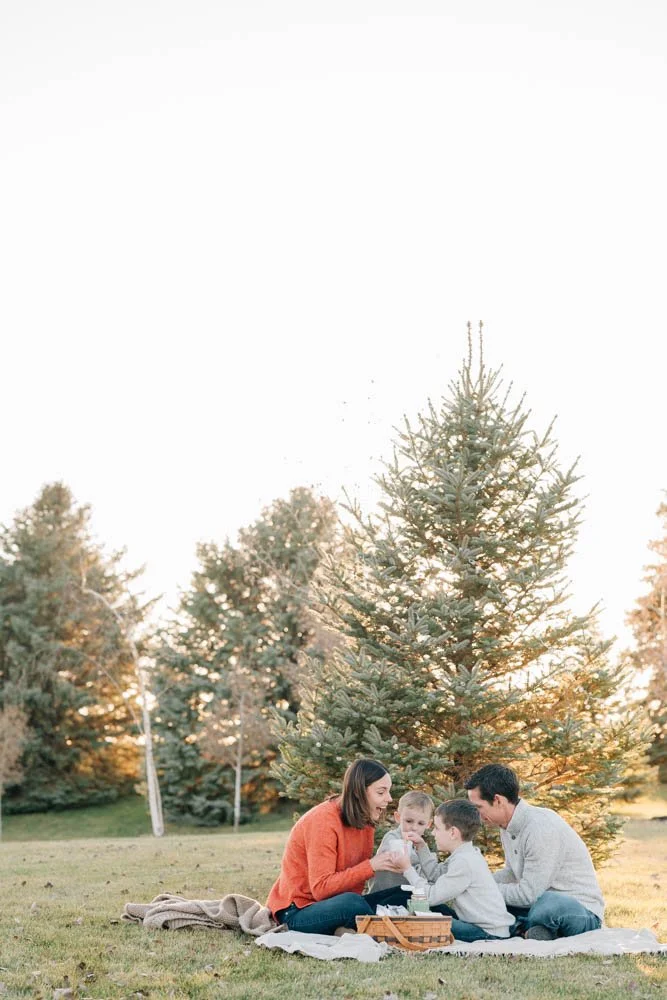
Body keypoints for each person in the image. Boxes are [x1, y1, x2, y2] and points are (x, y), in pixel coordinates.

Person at [266, 758, 410, 935]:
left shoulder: (364, 819)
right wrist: (371, 866)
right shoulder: (323, 821)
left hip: (336, 904)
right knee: (353, 903)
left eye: (388, 791)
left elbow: (353, 884)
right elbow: (320, 889)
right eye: (381, 792)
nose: (389, 799)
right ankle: (392, 930)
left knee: (405, 895)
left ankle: (446, 925)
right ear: (358, 793)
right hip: (298, 911)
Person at [464, 763, 605, 939]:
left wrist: (485, 889)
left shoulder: (540, 828)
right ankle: (534, 931)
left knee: (548, 903)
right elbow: (511, 872)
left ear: (498, 800)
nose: (477, 815)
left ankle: (521, 927)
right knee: (483, 905)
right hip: (536, 903)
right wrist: (476, 882)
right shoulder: (506, 825)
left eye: (478, 807)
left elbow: (529, 895)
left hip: (580, 910)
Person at [394, 799, 515, 941]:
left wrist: (407, 869)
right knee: (431, 912)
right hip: (480, 925)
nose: (433, 833)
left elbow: (430, 897)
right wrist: (421, 847)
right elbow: (436, 874)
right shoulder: (465, 854)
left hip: (488, 932)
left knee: (425, 920)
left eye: (437, 828)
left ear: (453, 833)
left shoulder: (464, 862)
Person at [368, 790, 435, 891]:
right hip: (383, 893)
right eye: (409, 821)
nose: (414, 827)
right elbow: (401, 858)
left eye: (421, 823)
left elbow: (428, 869)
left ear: (428, 824)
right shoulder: (392, 837)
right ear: (398, 817)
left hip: (405, 894)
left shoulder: (419, 844)